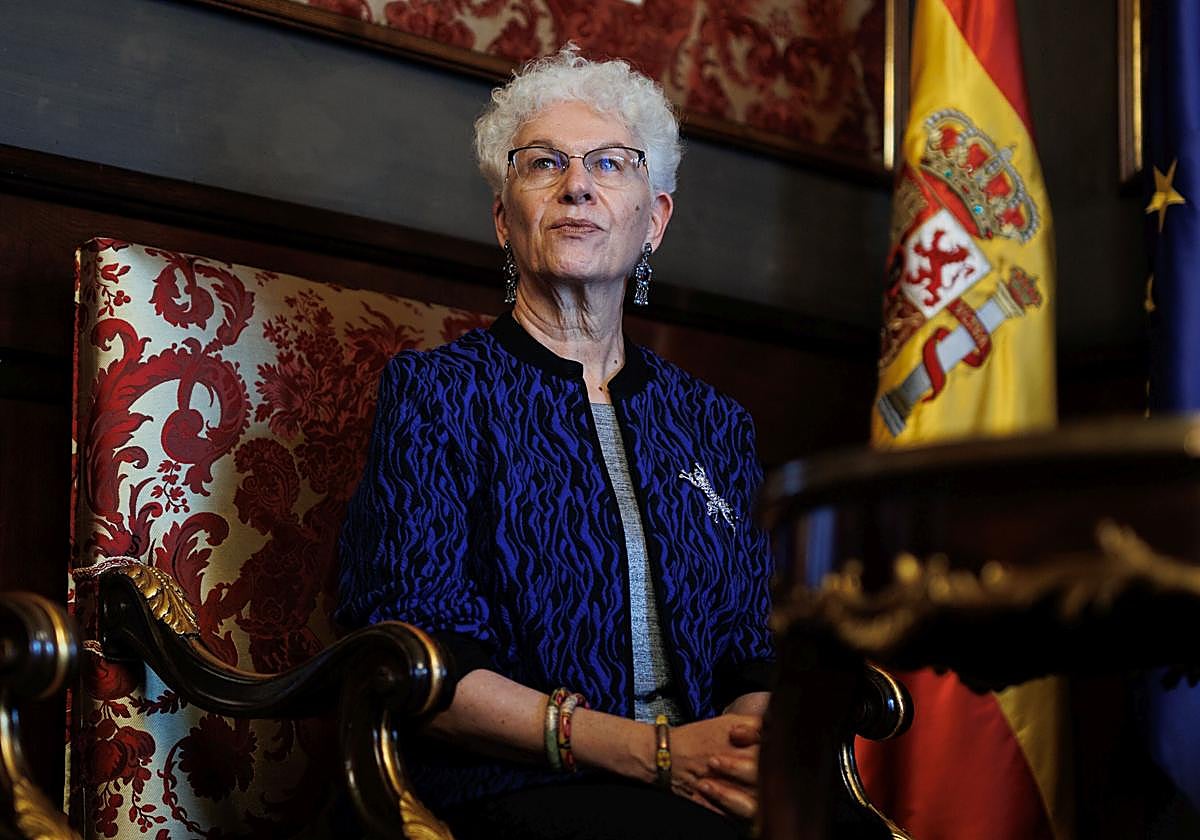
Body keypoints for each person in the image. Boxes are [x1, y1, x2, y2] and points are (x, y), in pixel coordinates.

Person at [336, 45, 773, 840]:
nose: (577, 185)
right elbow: (422, 659)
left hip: (702, 788)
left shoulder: (715, 423)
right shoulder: (437, 396)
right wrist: (658, 754)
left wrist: (745, 757)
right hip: (509, 790)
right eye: (544, 163)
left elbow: (754, 650)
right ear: (505, 220)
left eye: (610, 163)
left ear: (654, 219)